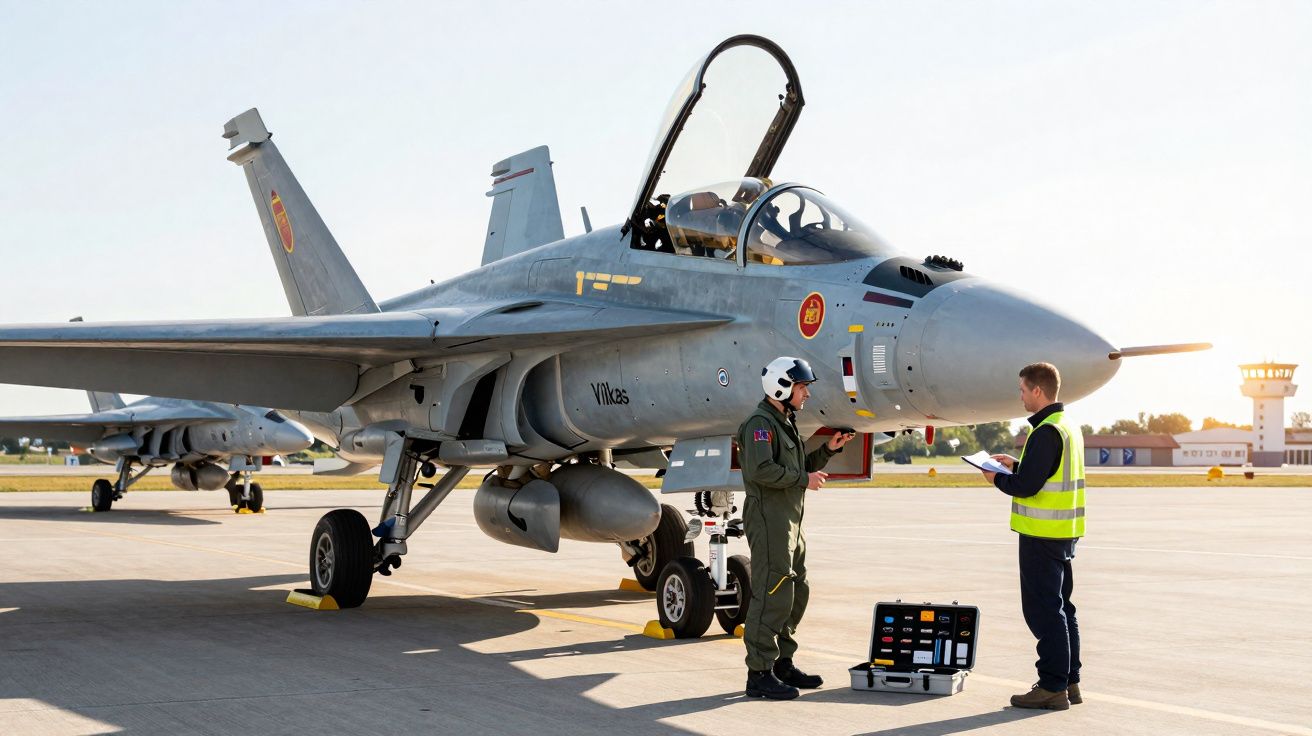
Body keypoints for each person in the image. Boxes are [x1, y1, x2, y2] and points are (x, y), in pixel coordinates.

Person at [738, 356, 855, 700]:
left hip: (790, 520)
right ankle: (759, 672)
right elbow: (761, 470)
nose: (806, 394)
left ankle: (783, 663)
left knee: (796, 591)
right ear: (782, 387)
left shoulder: (784, 421)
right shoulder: (760, 424)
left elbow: (797, 464)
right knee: (771, 592)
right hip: (769, 519)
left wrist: (827, 451)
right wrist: (804, 479)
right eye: (802, 387)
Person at [979, 362, 1085, 711]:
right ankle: (1070, 682)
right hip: (1064, 532)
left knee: (1043, 611)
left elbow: (1027, 487)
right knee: (1063, 608)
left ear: (1038, 391)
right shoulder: (1066, 427)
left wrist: (995, 478)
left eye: (1023, 389)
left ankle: (1051, 686)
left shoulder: (1044, 432)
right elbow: (1046, 472)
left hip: (1042, 533)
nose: (1020, 395)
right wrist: (1015, 463)